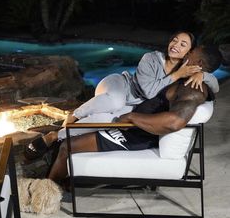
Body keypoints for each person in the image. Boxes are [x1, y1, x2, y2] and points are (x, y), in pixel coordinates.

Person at [24, 31, 219, 159]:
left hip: (132, 104)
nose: (175, 44)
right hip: (121, 85)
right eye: (174, 40)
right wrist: (176, 75)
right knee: (115, 100)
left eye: (183, 44)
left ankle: (54, 136)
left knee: (107, 119)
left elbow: (215, 84)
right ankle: (74, 114)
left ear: (189, 53)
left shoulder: (188, 69)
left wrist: (202, 75)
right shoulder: (151, 58)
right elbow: (148, 91)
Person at [47, 45, 222, 183]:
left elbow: (174, 122)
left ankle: (49, 190)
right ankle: (60, 162)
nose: (186, 53)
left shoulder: (191, 90)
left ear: (198, 62)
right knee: (92, 122)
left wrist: (132, 117)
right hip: (134, 126)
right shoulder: (189, 77)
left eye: (191, 51)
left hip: (136, 134)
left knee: (67, 147)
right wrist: (202, 74)